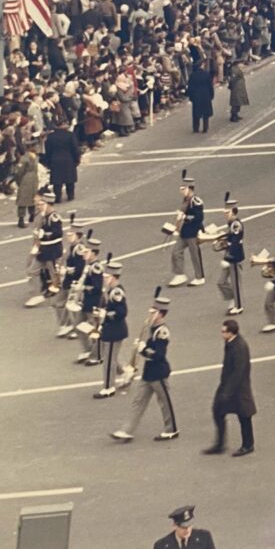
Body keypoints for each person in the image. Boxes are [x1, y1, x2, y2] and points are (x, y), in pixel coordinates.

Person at [111, 298, 177, 442]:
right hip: (148, 373)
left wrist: (143, 349)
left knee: (165, 402)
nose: (150, 314)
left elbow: (159, 354)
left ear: (160, 314)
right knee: (138, 401)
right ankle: (126, 430)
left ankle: (171, 429)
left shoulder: (162, 331)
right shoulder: (151, 328)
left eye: (153, 312)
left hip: (158, 372)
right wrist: (139, 350)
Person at [204, 319, 256, 457]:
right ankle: (220, 444)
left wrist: (227, 391)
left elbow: (238, 371)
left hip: (237, 388)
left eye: (223, 331)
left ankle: (248, 445)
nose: (221, 334)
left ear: (230, 333)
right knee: (218, 411)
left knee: (244, 416)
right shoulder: (231, 342)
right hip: (229, 386)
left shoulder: (238, 347)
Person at [93, 258, 128, 399]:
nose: (105, 278)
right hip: (109, 328)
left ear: (113, 277)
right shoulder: (110, 290)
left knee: (108, 360)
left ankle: (109, 387)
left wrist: (105, 313)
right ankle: (125, 372)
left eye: (107, 276)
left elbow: (121, 312)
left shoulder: (116, 293)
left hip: (115, 330)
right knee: (110, 356)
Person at [168, 175, 206, 288]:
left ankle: (200, 277)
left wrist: (185, 217)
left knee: (195, 255)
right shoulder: (185, 200)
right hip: (185, 231)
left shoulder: (196, 201)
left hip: (193, 232)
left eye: (183, 189)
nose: (181, 191)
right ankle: (179, 274)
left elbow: (199, 217)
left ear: (189, 188)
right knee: (176, 252)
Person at [215, 195, 245, 316]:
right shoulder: (231, 224)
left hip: (234, 257)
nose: (225, 214)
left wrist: (227, 250)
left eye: (227, 212)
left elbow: (235, 242)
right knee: (221, 282)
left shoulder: (236, 224)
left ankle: (238, 306)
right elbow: (230, 236)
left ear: (233, 211)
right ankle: (233, 298)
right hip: (229, 257)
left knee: (235, 282)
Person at [44, 119, 81, 203]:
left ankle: (57, 197)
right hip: (68, 159)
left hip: (55, 160)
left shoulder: (51, 137)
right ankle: (70, 195)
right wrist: (77, 159)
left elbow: (47, 150)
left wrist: (48, 162)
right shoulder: (70, 135)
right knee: (70, 180)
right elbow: (75, 148)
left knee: (57, 181)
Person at [186, 60, 214, 134]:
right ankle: (205, 127)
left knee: (196, 113)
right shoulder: (206, 74)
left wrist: (190, 97)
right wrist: (211, 95)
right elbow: (210, 86)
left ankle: (196, 128)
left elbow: (190, 87)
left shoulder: (193, 75)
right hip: (205, 95)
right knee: (205, 113)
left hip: (196, 96)